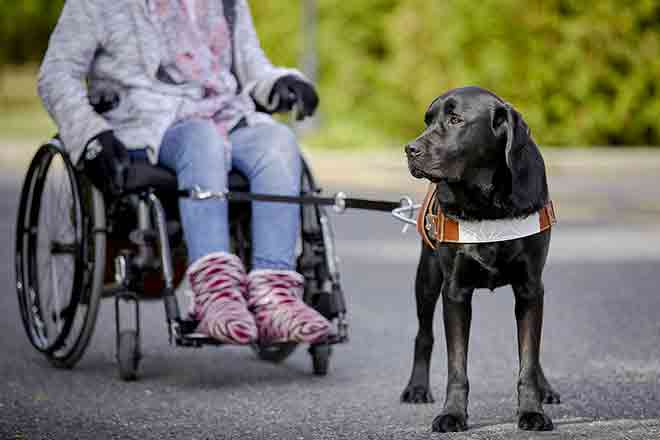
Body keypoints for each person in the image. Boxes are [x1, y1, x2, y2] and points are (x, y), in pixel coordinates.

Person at [38, 0, 331, 345]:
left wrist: (280, 82)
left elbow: (251, 66)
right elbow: (56, 75)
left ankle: (274, 298)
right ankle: (215, 296)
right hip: (146, 123)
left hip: (226, 113)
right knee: (200, 137)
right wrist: (88, 133)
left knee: (279, 141)